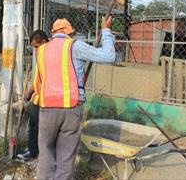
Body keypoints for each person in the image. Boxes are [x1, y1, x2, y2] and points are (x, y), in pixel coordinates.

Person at [35, 18, 116, 180]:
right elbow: (108, 56)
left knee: (45, 155)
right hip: (71, 108)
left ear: (53, 32)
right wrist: (106, 31)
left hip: (47, 109)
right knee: (65, 157)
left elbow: (39, 81)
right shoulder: (75, 45)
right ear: (68, 32)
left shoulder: (42, 50)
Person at [17, 30, 49, 161]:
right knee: (33, 125)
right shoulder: (41, 57)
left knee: (39, 127)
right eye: (33, 47)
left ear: (44, 42)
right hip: (37, 98)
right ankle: (32, 149)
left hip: (45, 100)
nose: (35, 50)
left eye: (36, 46)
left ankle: (33, 151)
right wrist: (29, 92)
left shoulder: (48, 57)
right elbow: (37, 80)